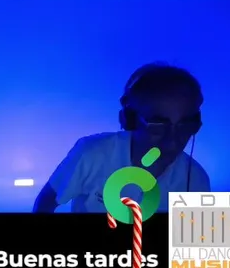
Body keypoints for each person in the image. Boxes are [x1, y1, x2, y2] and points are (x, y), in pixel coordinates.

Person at [33, 63, 210, 213]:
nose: (172, 141)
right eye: (157, 125)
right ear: (130, 119)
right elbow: (47, 201)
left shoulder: (196, 179)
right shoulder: (92, 153)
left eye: (185, 126)